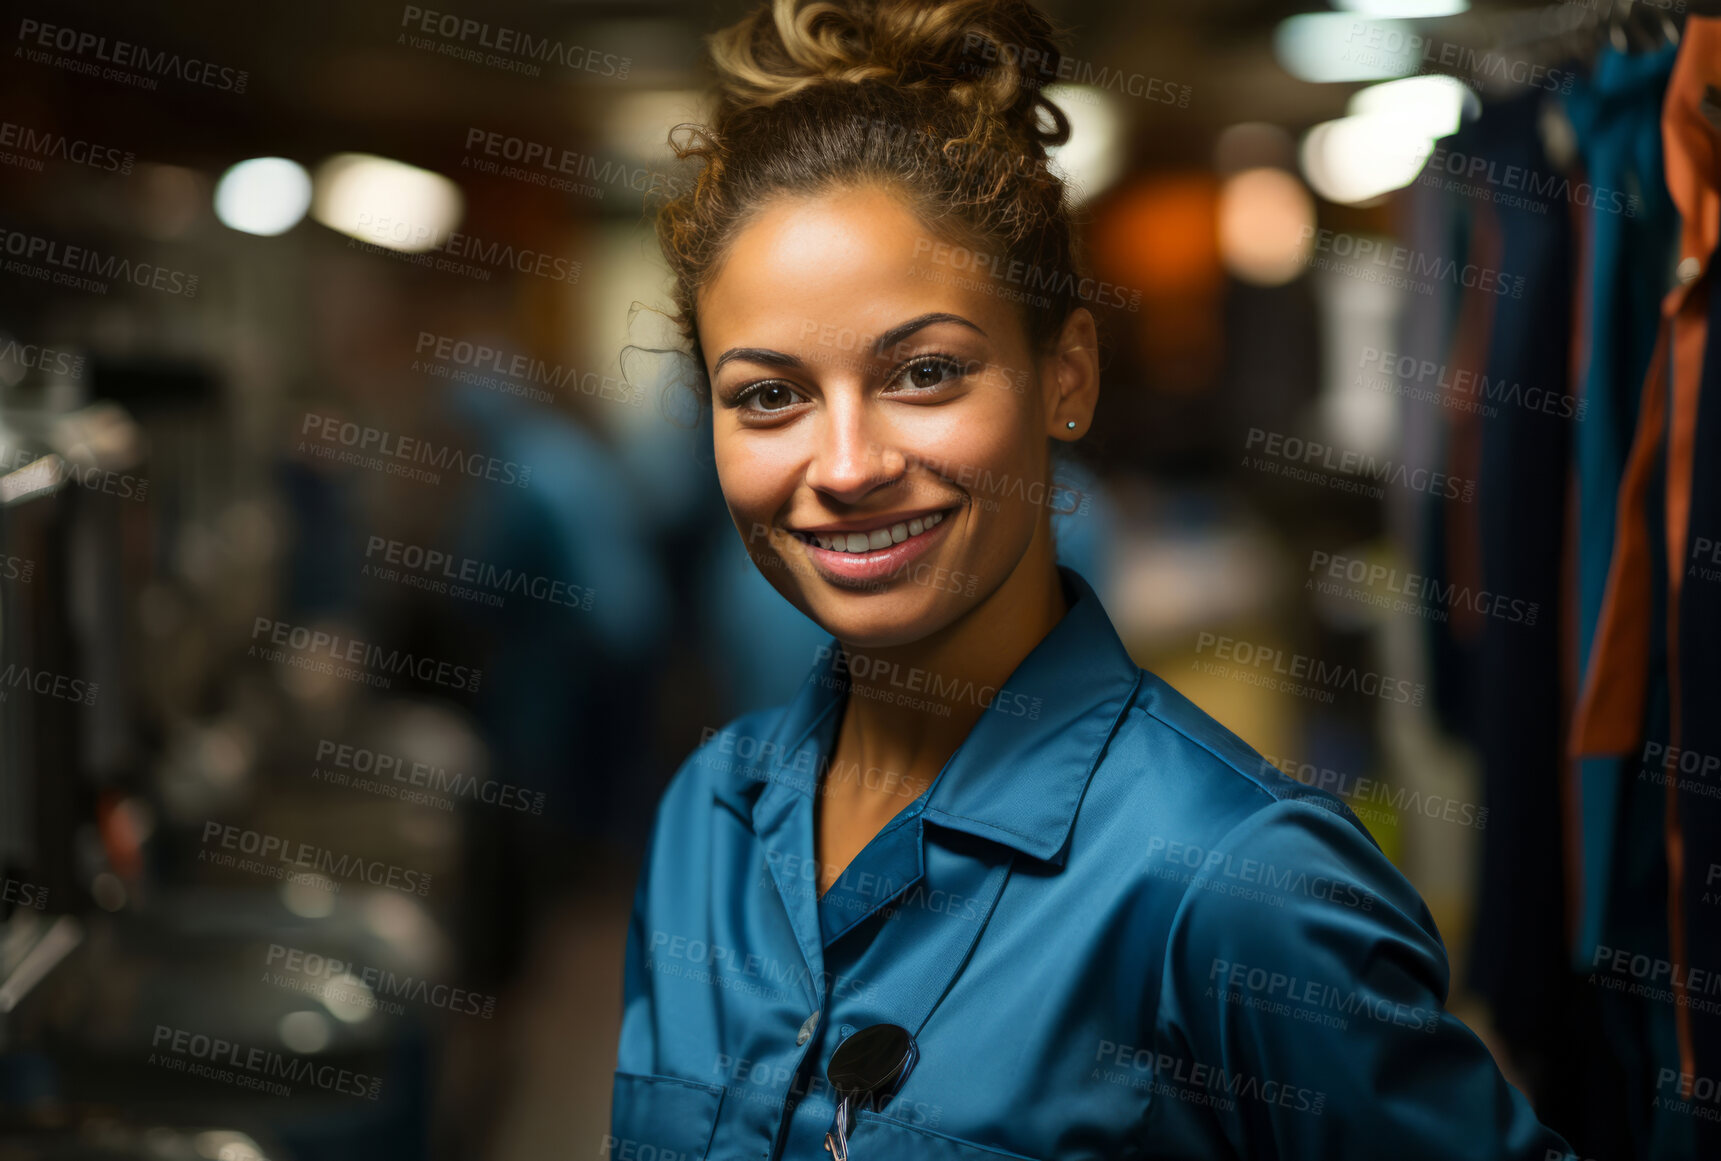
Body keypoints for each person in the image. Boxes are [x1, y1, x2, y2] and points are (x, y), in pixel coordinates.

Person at [609, 1, 1582, 1156]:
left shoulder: (1235, 886)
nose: (846, 465)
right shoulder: (708, 816)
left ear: (1063, 374)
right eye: (767, 395)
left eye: (923, 372)